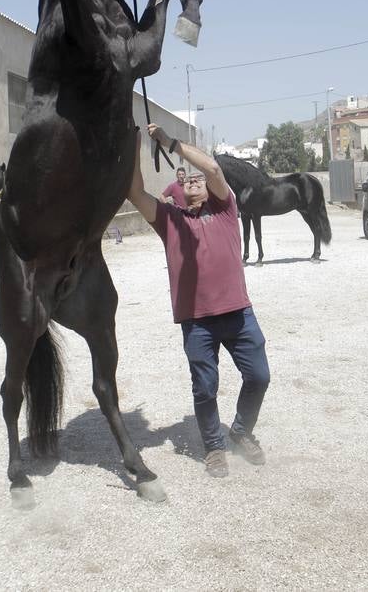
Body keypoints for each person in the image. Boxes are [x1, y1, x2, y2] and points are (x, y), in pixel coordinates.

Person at [128, 123, 270, 478]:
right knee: (205, 387)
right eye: (187, 179)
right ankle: (214, 447)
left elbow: (214, 169)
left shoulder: (226, 210)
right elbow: (134, 191)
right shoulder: (170, 222)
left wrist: (170, 142)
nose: (193, 180)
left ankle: (239, 430)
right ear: (176, 190)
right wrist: (131, 145)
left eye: (198, 179)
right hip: (197, 321)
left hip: (239, 313)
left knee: (259, 376)